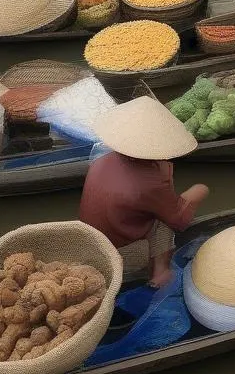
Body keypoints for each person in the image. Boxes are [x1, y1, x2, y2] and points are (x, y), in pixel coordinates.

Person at [79, 97, 208, 287]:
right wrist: (199, 191)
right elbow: (179, 220)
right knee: (165, 223)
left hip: (89, 239)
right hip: (117, 252)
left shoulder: (102, 161)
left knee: (159, 210)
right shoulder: (151, 183)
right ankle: (160, 271)